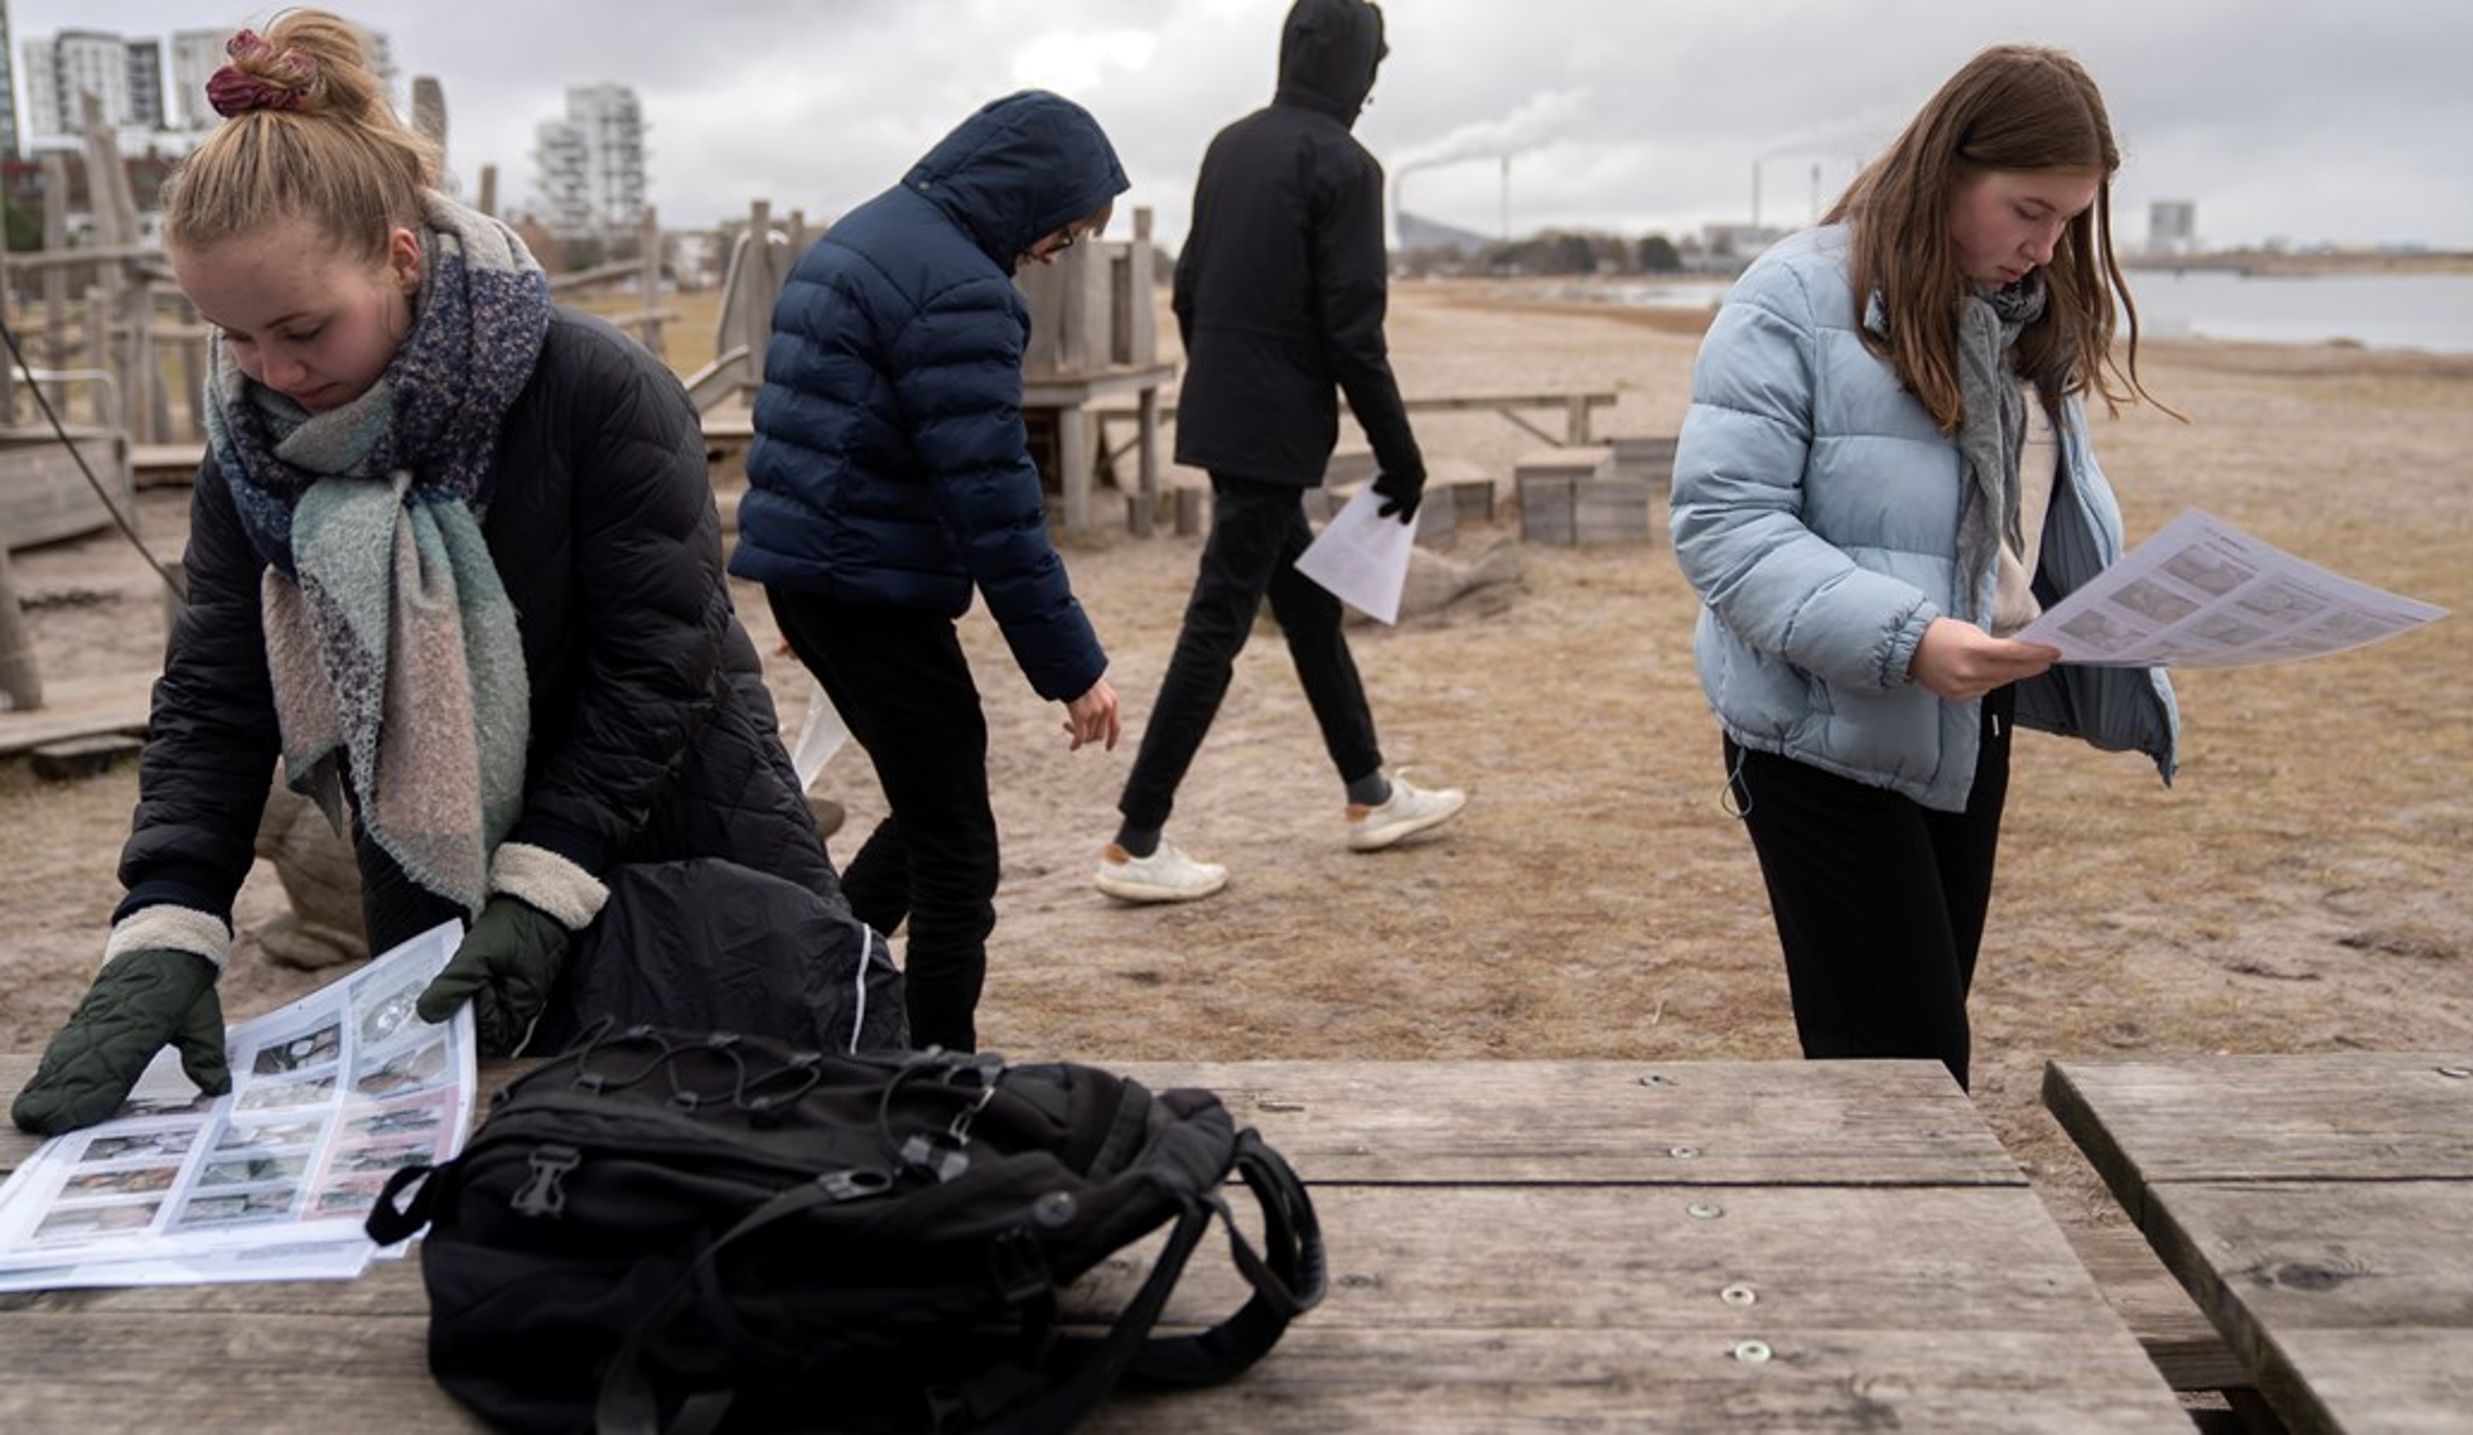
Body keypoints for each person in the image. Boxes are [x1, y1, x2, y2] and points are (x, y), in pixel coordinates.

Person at [13, 13, 886, 1136]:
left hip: (675, 850)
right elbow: (213, 696)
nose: (272, 373)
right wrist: (169, 917)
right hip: (431, 893)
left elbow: (655, 663)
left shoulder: (594, 386)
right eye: (231, 339)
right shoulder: (253, 449)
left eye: (301, 329)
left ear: (401, 257)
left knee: (750, 1160)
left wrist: (546, 880)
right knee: (493, 1185)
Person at [1668, 45, 2180, 1090]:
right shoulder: (1790, 297)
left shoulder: (2022, 324)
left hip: (1966, 723)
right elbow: (1723, 525)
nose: (2045, 246)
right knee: (1900, 1068)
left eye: (2069, 221)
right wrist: (1907, 641)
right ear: (1950, 163)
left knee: (1922, 1053)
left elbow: (2013, 535)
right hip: (1818, 734)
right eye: (2028, 209)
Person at [731, 90, 1126, 1053]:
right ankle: (938, 1069)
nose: (1049, 256)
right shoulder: (961, 290)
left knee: (930, 799)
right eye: (1062, 235)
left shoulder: (863, 235)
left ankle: (813, 991)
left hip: (829, 580)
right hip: (860, 594)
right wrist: (1072, 668)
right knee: (959, 853)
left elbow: (827, 433)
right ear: (1028, 196)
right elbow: (994, 500)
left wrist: (806, 580)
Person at [1094, 0, 1465, 905]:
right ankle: (1136, 838)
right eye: (1372, 64)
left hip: (1222, 407)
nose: (1374, 84)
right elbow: (1354, 330)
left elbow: (1188, 287)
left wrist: (1223, 374)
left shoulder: (1229, 146)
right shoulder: (1346, 164)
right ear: (1353, 66)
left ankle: (1369, 790)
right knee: (1216, 623)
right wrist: (1400, 456)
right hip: (1275, 426)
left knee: (1302, 609)